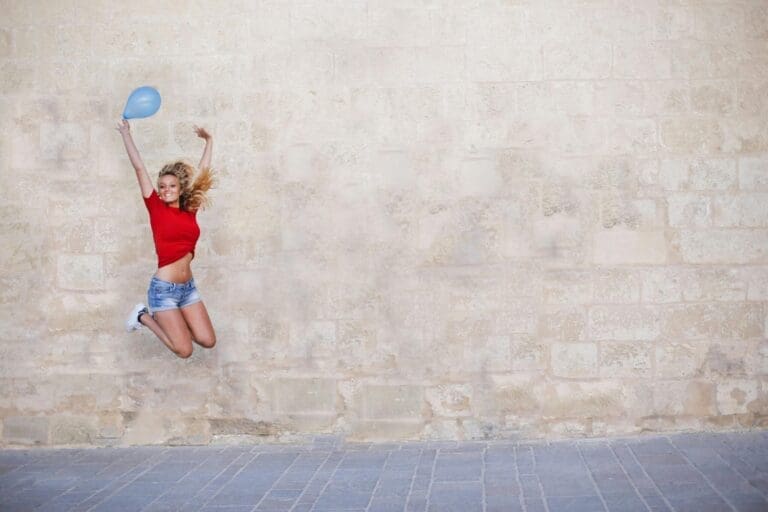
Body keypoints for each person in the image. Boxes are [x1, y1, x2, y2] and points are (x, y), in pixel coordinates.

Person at [117, 119, 216, 358]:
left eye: (172, 185)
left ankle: (172, 323)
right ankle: (143, 316)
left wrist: (209, 140)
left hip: (188, 289)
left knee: (208, 340)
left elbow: (202, 173)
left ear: (181, 189)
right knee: (184, 350)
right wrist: (125, 134)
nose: (166, 190)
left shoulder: (189, 209)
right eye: (162, 186)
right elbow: (140, 168)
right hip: (164, 291)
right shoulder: (156, 208)